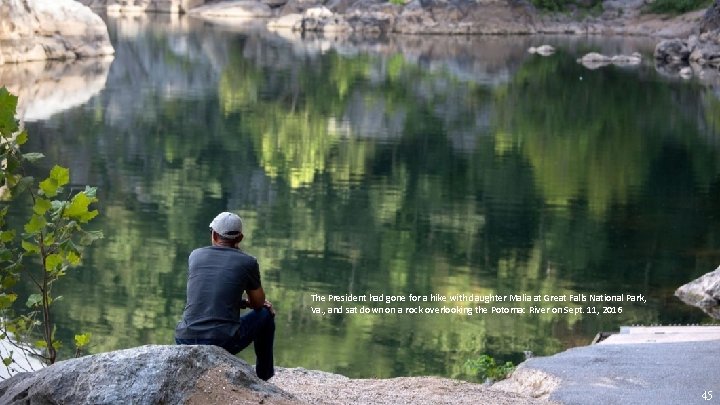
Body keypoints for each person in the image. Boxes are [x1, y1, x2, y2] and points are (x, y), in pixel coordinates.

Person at [175, 211, 275, 381]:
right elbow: (258, 304)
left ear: (214, 234)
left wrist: (240, 302)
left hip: (185, 338)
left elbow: (208, 294)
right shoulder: (248, 262)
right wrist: (248, 303)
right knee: (265, 314)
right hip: (222, 341)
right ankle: (264, 375)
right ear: (240, 238)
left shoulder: (195, 255)